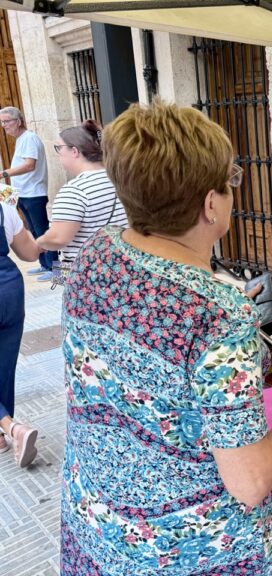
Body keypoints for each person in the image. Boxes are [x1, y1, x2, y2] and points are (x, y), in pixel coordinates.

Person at [59, 100, 272, 574]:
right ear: (211, 202)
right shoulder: (220, 315)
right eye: (231, 180)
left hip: (98, 526)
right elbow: (250, 481)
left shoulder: (96, 254)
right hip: (195, 553)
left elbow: (141, 374)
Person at [35, 120, 128, 263]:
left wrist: (37, 244)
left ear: (74, 151)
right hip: (120, 262)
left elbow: (58, 238)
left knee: (60, 284)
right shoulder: (122, 180)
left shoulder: (74, 190)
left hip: (85, 269)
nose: (58, 154)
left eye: (59, 148)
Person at [0, 201, 42, 468]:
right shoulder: (3, 209)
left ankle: (12, 428)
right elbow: (30, 254)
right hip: (8, 290)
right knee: (4, 367)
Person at [0, 106, 57, 281]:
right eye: (2, 122)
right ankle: (44, 264)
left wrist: (4, 173)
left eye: (7, 121)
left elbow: (29, 165)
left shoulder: (30, 138)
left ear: (19, 121)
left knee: (43, 231)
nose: (4, 125)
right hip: (22, 193)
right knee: (32, 230)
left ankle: (57, 271)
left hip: (34, 193)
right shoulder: (21, 139)